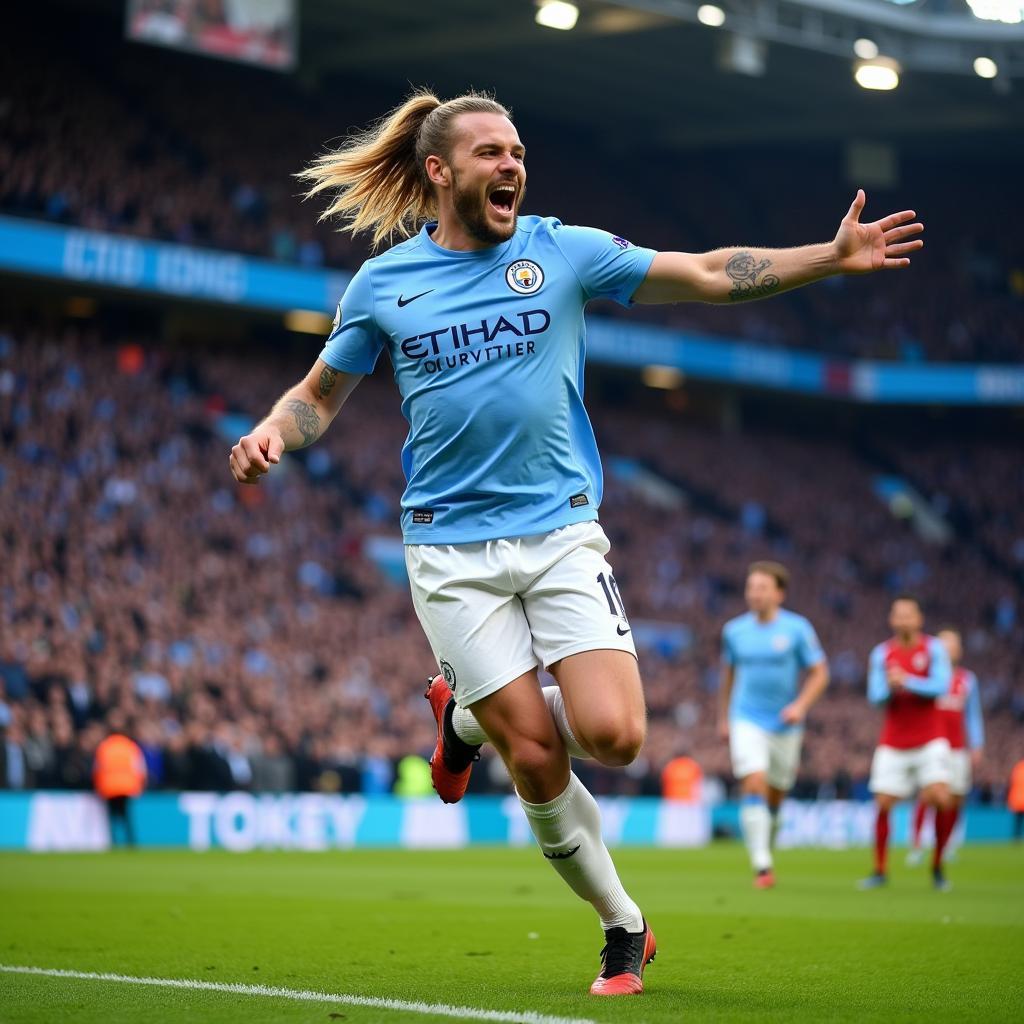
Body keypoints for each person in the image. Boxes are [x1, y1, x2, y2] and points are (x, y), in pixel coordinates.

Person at [229, 89, 923, 995]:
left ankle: (462, 715)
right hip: (448, 553)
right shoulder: (385, 285)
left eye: (516, 150)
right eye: (489, 153)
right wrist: (275, 432)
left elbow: (710, 271)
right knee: (537, 754)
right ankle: (622, 926)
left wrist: (826, 260)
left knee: (617, 737)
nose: (511, 165)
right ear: (440, 171)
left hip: (560, 535)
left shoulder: (560, 251)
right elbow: (318, 395)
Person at [718, 562, 829, 888]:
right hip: (746, 718)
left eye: (762, 588)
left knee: (777, 793)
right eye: (751, 587)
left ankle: (768, 839)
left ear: (779, 593)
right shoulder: (734, 631)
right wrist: (722, 717)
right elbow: (727, 677)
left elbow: (821, 673)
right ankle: (762, 865)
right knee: (754, 782)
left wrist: (800, 706)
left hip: (785, 723)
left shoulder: (797, 629)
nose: (755, 594)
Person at [860, 597, 954, 891]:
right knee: (883, 803)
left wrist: (908, 681)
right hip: (894, 740)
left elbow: (941, 686)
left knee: (941, 797)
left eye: (908, 615)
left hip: (929, 738)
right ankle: (880, 870)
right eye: (898, 615)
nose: (903, 620)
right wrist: (889, 686)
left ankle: (937, 867)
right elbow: (874, 696)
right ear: (891, 619)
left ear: (919, 618)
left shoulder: (934, 649)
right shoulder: (881, 653)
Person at [906, 627, 984, 866]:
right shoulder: (926, 679)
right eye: (942, 644)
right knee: (928, 795)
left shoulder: (967, 680)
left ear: (958, 650)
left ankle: (946, 844)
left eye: (951, 645)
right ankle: (917, 845)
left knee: (955, 798)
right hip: (930, 745)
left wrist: (977, 744)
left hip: (957, 747)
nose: (947, 649)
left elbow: (973, 715)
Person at [93, 724, 147, 847]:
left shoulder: (105, 747)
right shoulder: (131, 746)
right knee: (127, 817)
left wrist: (98, 787)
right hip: (127, 787)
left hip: (109, 787)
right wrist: (140, 786)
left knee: (112, 818)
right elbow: (140, 768)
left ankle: (114, 843)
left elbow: (97, 769)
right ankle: (131, 843)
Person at [1008, 758, 1024, 843]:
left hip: (1017, 800)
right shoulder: (1018, 768)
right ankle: (1017, 838)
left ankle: (1016, 839)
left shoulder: (1017, 768)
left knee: (1017, 822)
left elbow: (1012, 784)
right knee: (1018, 822)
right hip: (1019, 801)